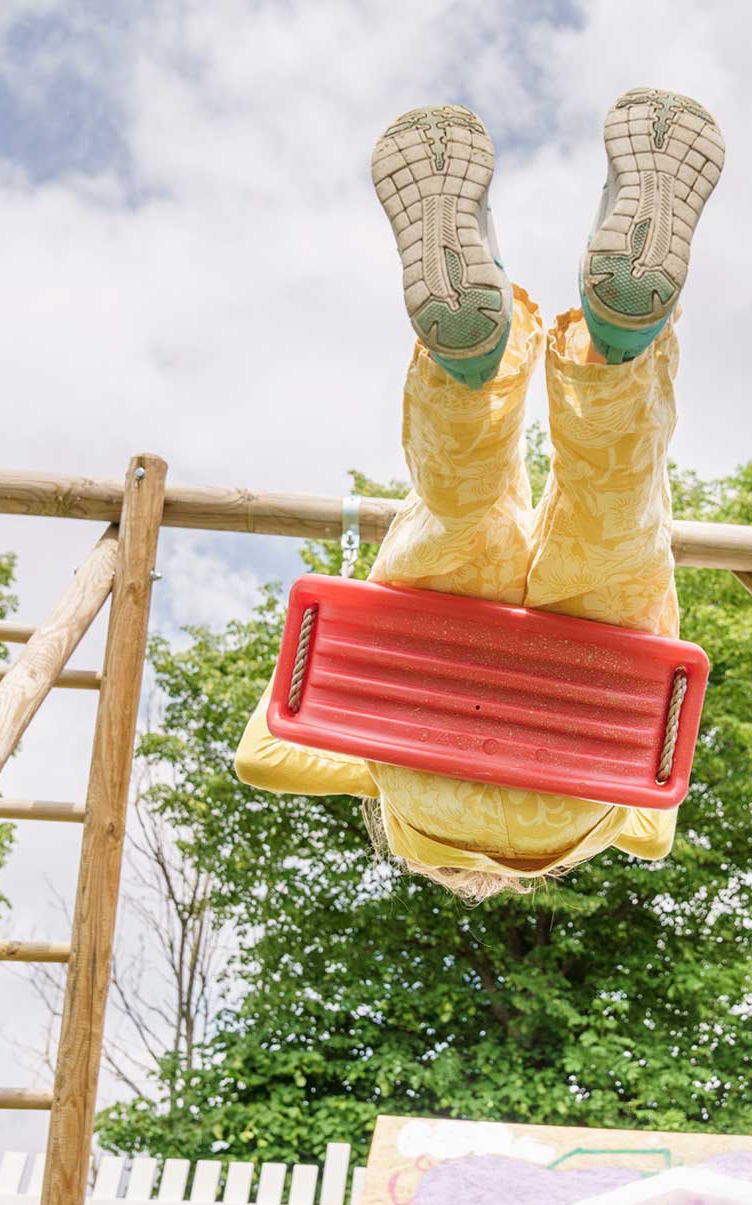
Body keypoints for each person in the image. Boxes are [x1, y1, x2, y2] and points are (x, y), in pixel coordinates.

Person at [235, 89, 724, 900]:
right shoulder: (390, 783)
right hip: (425, 700)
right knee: (458, 505)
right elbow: (261, 759)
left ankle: (621, 345)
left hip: (583, 750)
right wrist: (364, 732)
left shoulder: (613, 833)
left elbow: (657, 826)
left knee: (614, 517)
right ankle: (466, 367)